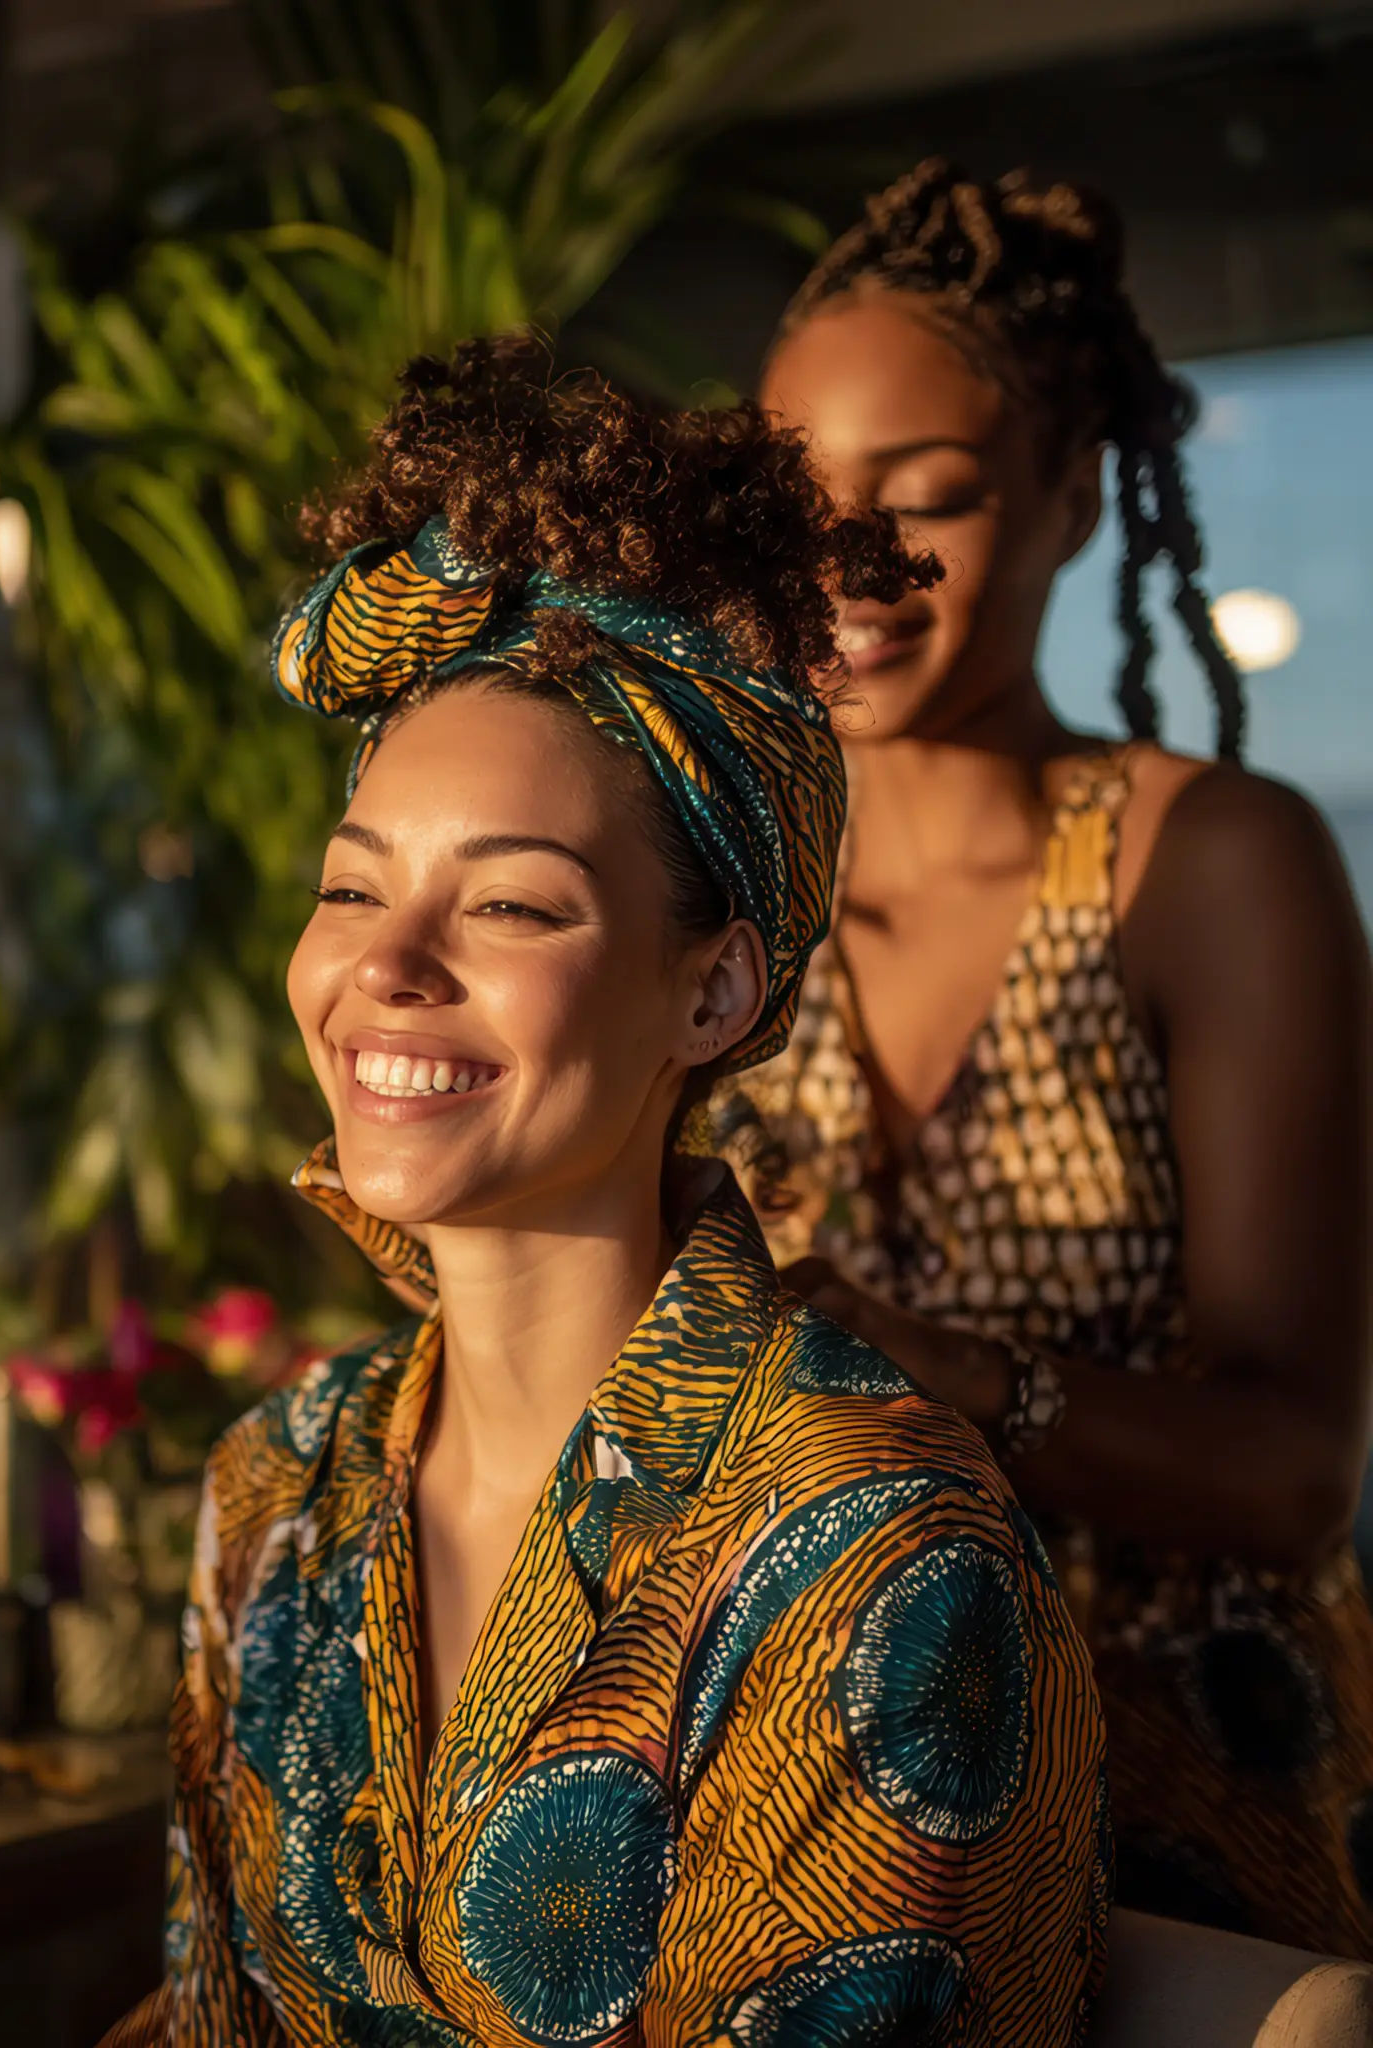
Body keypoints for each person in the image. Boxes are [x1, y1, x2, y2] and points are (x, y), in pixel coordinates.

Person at [103, 340, 1107, 2047]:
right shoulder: (276, 1489)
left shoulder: (878, 1554)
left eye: (513, 908)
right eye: (355, 891)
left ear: (715, 996)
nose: (389, 970)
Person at [710, 159, 1373, 1956]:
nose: (849, 562)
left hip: (1176, 1796)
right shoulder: (718, 873)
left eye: (927, 499)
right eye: (797, 499)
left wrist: (946, 1374)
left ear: (1075, 497)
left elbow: (1301, 1469)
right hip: (815, 1775)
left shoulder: (1208, 864)